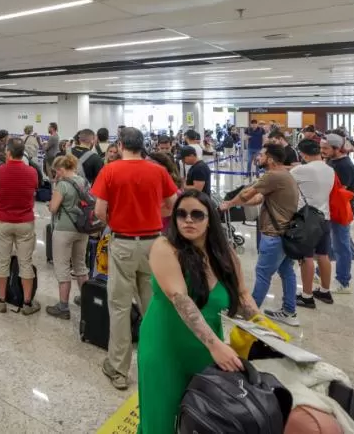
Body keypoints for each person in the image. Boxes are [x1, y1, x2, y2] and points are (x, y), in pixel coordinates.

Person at [139, 191, 259, 433]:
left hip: (206, 350)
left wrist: (265, 328)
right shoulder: (165, 247)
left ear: (210, 219)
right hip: (166, 346)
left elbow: (244, 296)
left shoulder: (225, 255)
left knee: (202, 419)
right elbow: (180, 298)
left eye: (197, 214)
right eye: (181, 214)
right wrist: (215, 346)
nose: (188, 220)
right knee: (161, 421)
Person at [91, 127, 179, 390]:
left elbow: (99, 211)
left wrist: (117, 222)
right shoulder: (158, 171)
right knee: (153, 306)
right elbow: (172, 203)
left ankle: (118, 369)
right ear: (143, 145)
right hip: (154, 243)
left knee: (119, 306)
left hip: (124, 243)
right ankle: (160, 362)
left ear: (120, 145)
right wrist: (152, 212)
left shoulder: (111, 171)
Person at [220, 144, 300, 327]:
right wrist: (241, 203)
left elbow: (248, 194)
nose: (258, 158)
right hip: (285, 232)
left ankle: (250, 313)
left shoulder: (273, 175)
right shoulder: (284, 175)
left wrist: (229, 204)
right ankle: (289, 311)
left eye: (262, 155)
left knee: (263, 273)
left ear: (270, 159)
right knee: (286, 271)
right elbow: (258, 198)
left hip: (274, 234)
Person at [0, 138, 40, 315]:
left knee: (2, 261)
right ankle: (27, 303)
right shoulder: (32, 172)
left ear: (8, 153)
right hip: (25, 222)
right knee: (25, 263)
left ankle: (2, 300)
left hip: (4, 221)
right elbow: (34, 189)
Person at [290, 139, 335, 308]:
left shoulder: (302, 169)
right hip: (325, 216)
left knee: (306, 257)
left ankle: (307, 295)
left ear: (303, 154)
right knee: (323, 255)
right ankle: (325, 291)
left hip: (307, 219)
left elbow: (284, 178)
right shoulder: (329, 169)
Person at [45, 154, 90, 320]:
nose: (56, 174)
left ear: (62, 169)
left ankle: (63, 306)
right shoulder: (84, 182)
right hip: (82, 228)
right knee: (80, 265)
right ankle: (86, 299)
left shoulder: (62, 185)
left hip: (64, 230)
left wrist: (50, 204)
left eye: (57, 171)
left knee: (62, 267)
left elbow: (54, 208)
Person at [324, 134, 354, 295]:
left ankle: (343, 281)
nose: (322, 151)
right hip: (330, 210)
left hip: (341, 212)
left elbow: (339, 191)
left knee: (342, 246)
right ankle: (320, 271)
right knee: (331, 243)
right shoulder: (332, 161)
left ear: (336, 148)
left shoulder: (345, 166)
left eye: (326, 148)